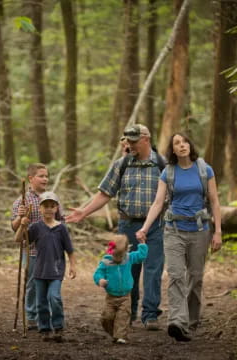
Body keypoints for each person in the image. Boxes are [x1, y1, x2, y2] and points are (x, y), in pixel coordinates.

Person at [67, 124, 165, 330]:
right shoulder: (122, 164)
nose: (129, 145)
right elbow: (105, 193)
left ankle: (150, 315)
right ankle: (128, 312)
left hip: (156, 225)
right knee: (127, 268)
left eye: (134, 141)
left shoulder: (162, 164)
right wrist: (84, 212)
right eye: (127, 141)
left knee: (153, 269)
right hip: (127, 225)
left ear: (146, 139)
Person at [136, 132, 222, 342]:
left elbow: (214, 201)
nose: (182, 145)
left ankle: (191, 323)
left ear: (190, 146)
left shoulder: (205, 169)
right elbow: (158, 203)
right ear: (172, 150)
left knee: (196, 277)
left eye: (185, 142)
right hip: (173, 230)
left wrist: (218, 231)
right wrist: (145, 228)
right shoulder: (168, 172)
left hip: (200, 231)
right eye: (177, 143)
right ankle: (177, 321)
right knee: (176, 276)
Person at [11, 163, 63, 330]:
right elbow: (14, 227)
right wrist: (20, 218)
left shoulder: (52, 198)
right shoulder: (22, 201)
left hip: (51, 250)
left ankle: (45, 315)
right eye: (41, 176)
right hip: (31, 249)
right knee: (33, 282)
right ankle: (31, 316)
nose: (45, 179)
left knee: (50, 281)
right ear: (31, 179)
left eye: (47, 176)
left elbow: (61, 219)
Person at [19, 191, 76, 342]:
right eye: (46, 206)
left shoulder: (61, 228)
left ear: (57, 208)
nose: (49, 209)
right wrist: (22, 224)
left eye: (52, 206)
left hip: (56, 270)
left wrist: (73, 266)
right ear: (40, 208)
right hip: (39, 270)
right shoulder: (36, 227)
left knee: (54, 297)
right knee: (41, 302)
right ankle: (44, 328)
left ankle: (58, 326)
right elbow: (19, 240)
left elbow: (69, 249)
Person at [93, 234, 148, 344]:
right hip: (111, 297)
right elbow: (97, 273)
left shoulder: (128, 258)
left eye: (120, 255)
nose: (118, 258)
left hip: (125, 296)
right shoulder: (106, 261)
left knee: (123, 316)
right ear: (111, 250)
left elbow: (141, 256)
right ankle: (114, 333)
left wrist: (142, 244)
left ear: (126, 250)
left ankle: (121, 336)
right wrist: (100, 280)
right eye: (116, 255)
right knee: (106, 317)